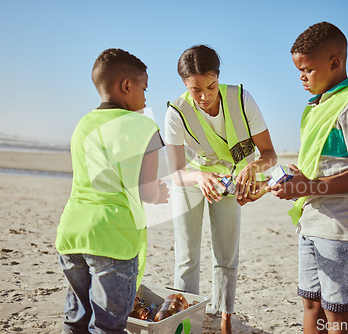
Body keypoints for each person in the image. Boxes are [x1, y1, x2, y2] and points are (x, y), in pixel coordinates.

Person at [267, 22, 348, 334]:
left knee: (337, 311)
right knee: (312, 303)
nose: (301, 77)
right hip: (313, 219)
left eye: (307, 69)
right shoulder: (315, 106)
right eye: (299, 70)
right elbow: (324, 166)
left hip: (342, 226)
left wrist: (308, 186)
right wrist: (298, 178)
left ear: (335, 63)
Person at [55, 48, 169, 333]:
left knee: (76, 319)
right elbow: (146, 191)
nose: (145, 97)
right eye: (144, 87)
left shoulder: (82, 124)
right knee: (107, 327)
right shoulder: (144, 126)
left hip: (72, 234)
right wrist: (160, 194)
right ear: (127, 85)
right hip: (113, 238)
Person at [165, 44, 277, 334]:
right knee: (186, 257)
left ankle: (225, 319)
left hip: (230, 180)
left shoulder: (242, 99)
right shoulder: (176, 112)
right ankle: (186, 323)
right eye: (195, 90)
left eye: (211, 86)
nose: (204, 96)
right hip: (191, 180)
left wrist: (253, 168)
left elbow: (269, 155)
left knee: (226, 254)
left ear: (219, 77)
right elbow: (176, 173)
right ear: (184, 85)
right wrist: (199, 177)